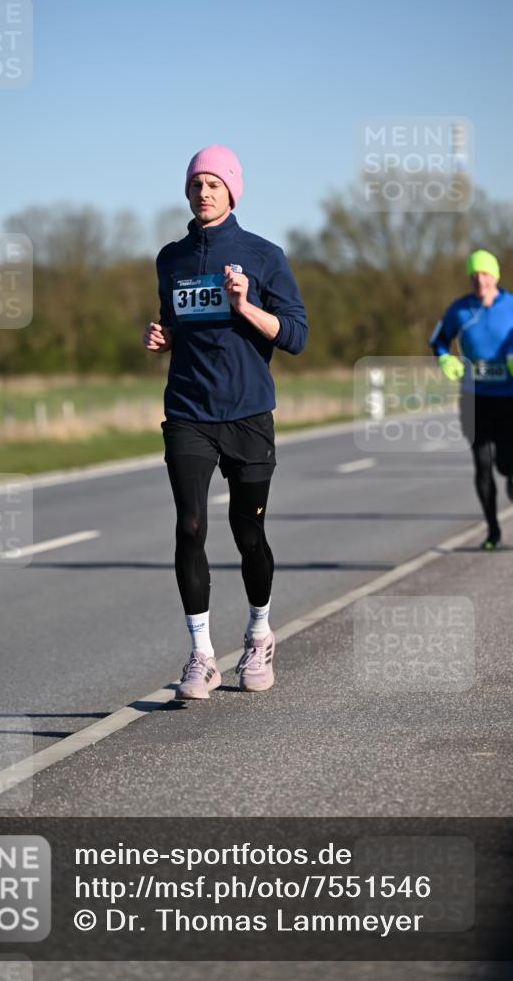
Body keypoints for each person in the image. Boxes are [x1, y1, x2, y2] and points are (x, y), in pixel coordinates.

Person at [143, 144, 308, 698]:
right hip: (188, 412)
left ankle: (259, 633)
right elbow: (175, 323)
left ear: (232, 190)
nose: (204, 191)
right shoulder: (171, 259)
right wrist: (161, 338)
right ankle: (202, 655)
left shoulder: (264, 256)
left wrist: (245, 306)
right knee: (189, 527)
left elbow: (296, 336)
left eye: (214, 183)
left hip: (248, 415)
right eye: (196, 183)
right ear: (187, 191)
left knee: (248, 532)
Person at [429, 249, 513, 550]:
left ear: (496, 276)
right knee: (481, 464)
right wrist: (444, 359)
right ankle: (493, 529)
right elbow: (437, 340)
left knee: (503, 461)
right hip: (474, 399)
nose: (480, 279)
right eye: (474, 274)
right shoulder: (460, 310)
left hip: (508, 397)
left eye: (485, 273)